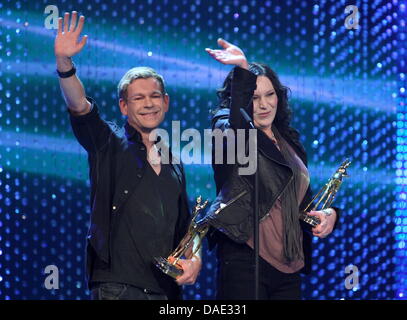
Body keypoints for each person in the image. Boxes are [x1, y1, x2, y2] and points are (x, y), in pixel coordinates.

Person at [54, 11, 201, 300]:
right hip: (118, 287)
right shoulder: (107, 141)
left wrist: (194, 258)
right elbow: (80, 106)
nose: (148, 104)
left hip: (165, 290)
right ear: (123, 106)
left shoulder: (174, 161)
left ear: (166, 102)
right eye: (138, 98)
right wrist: (64, 64)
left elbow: (187, 226)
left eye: (155, 96)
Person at [204, 38, 340, 300]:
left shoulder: (290, 140)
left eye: (270, 95)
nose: (264, 104)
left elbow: (302, 201)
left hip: (290, 266)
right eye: (254, 97)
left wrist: (330, 214)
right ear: (241, 98)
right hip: (247, 260)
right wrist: (242, 71)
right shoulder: (226, 129)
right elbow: (238, 131)